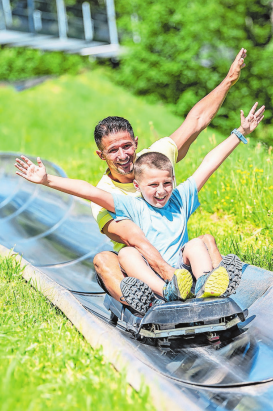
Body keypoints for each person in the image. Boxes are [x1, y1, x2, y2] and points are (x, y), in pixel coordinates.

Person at [15, 102, 265, 313]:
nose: (161, 190)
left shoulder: (181, 197)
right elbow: (88, 190)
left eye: (167, 183)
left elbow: (209, 163)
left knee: (197, 243)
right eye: (153, 185)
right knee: (126, 253)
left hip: (184, 269)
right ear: (137, 185)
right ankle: (166, 293)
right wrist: (48, 180)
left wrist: (239, 133)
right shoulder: (131, 205)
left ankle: (207, 288)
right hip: (154, 275)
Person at [84, 48, 251, 310]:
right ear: (101, 155)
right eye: (113, 150)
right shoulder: (104, 193)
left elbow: (196, 120)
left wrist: (229, 79)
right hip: (140, 267)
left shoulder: (155, 160)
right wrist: (167, 275)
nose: (123, 155)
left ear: (136, 143)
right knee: (105, 259)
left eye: (126, 146)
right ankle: (141, 304)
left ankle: (217, 289)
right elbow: (132, 238)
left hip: (175, 260)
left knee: (204, 240)